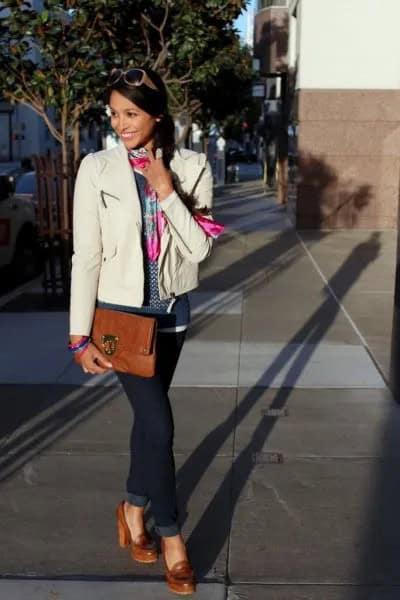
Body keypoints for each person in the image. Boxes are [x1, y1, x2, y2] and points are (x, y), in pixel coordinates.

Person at [68, 67, 216, 595]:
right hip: (118, 319)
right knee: (160, 426)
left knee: (147, 425)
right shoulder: (97, 168)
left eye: (131, 113)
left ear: (157, 113)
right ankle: (172, 537)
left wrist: (166, 191)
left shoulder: (194, 167)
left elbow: (199, 250)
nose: (120, 123)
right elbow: (86, 255)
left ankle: (133, 510)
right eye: (114, 113)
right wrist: (78, 337)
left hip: (171, 318)